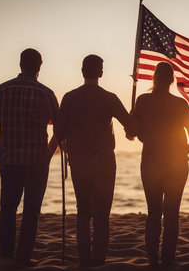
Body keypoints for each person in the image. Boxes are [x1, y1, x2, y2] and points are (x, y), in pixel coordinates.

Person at [54, 54, 135, 267]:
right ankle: (98, 260)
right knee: (102, 214)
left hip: (79, 162)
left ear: (82, 72)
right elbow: (132, 127)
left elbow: (59, 131)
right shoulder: (109, 97)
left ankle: (84, 259)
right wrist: (131, 129)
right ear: (100, 72)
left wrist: (59, 149)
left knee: (83, 211)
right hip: (105, 163)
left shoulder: (69, 98)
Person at [0, 48, 59, 267]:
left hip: (8, 159)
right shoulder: (46, 93)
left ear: (20, 64)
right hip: (37, 160)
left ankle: (7, 255)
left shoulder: (2, 90)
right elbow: (60, 128)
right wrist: (49, 151)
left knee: (7, 209)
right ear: (39, 66)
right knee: (31, 211)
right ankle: (23, 256)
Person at [131, 62, 189, 267]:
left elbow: (132, 134)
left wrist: (132, 122)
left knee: (153, 211)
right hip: (177, 164)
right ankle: (168, 259)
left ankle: (153, 259)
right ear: (172, 80)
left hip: (151, 163)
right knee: (172, 213)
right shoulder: (180, 105)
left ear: (154, 78)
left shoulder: (142, 101)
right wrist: (182, 152)